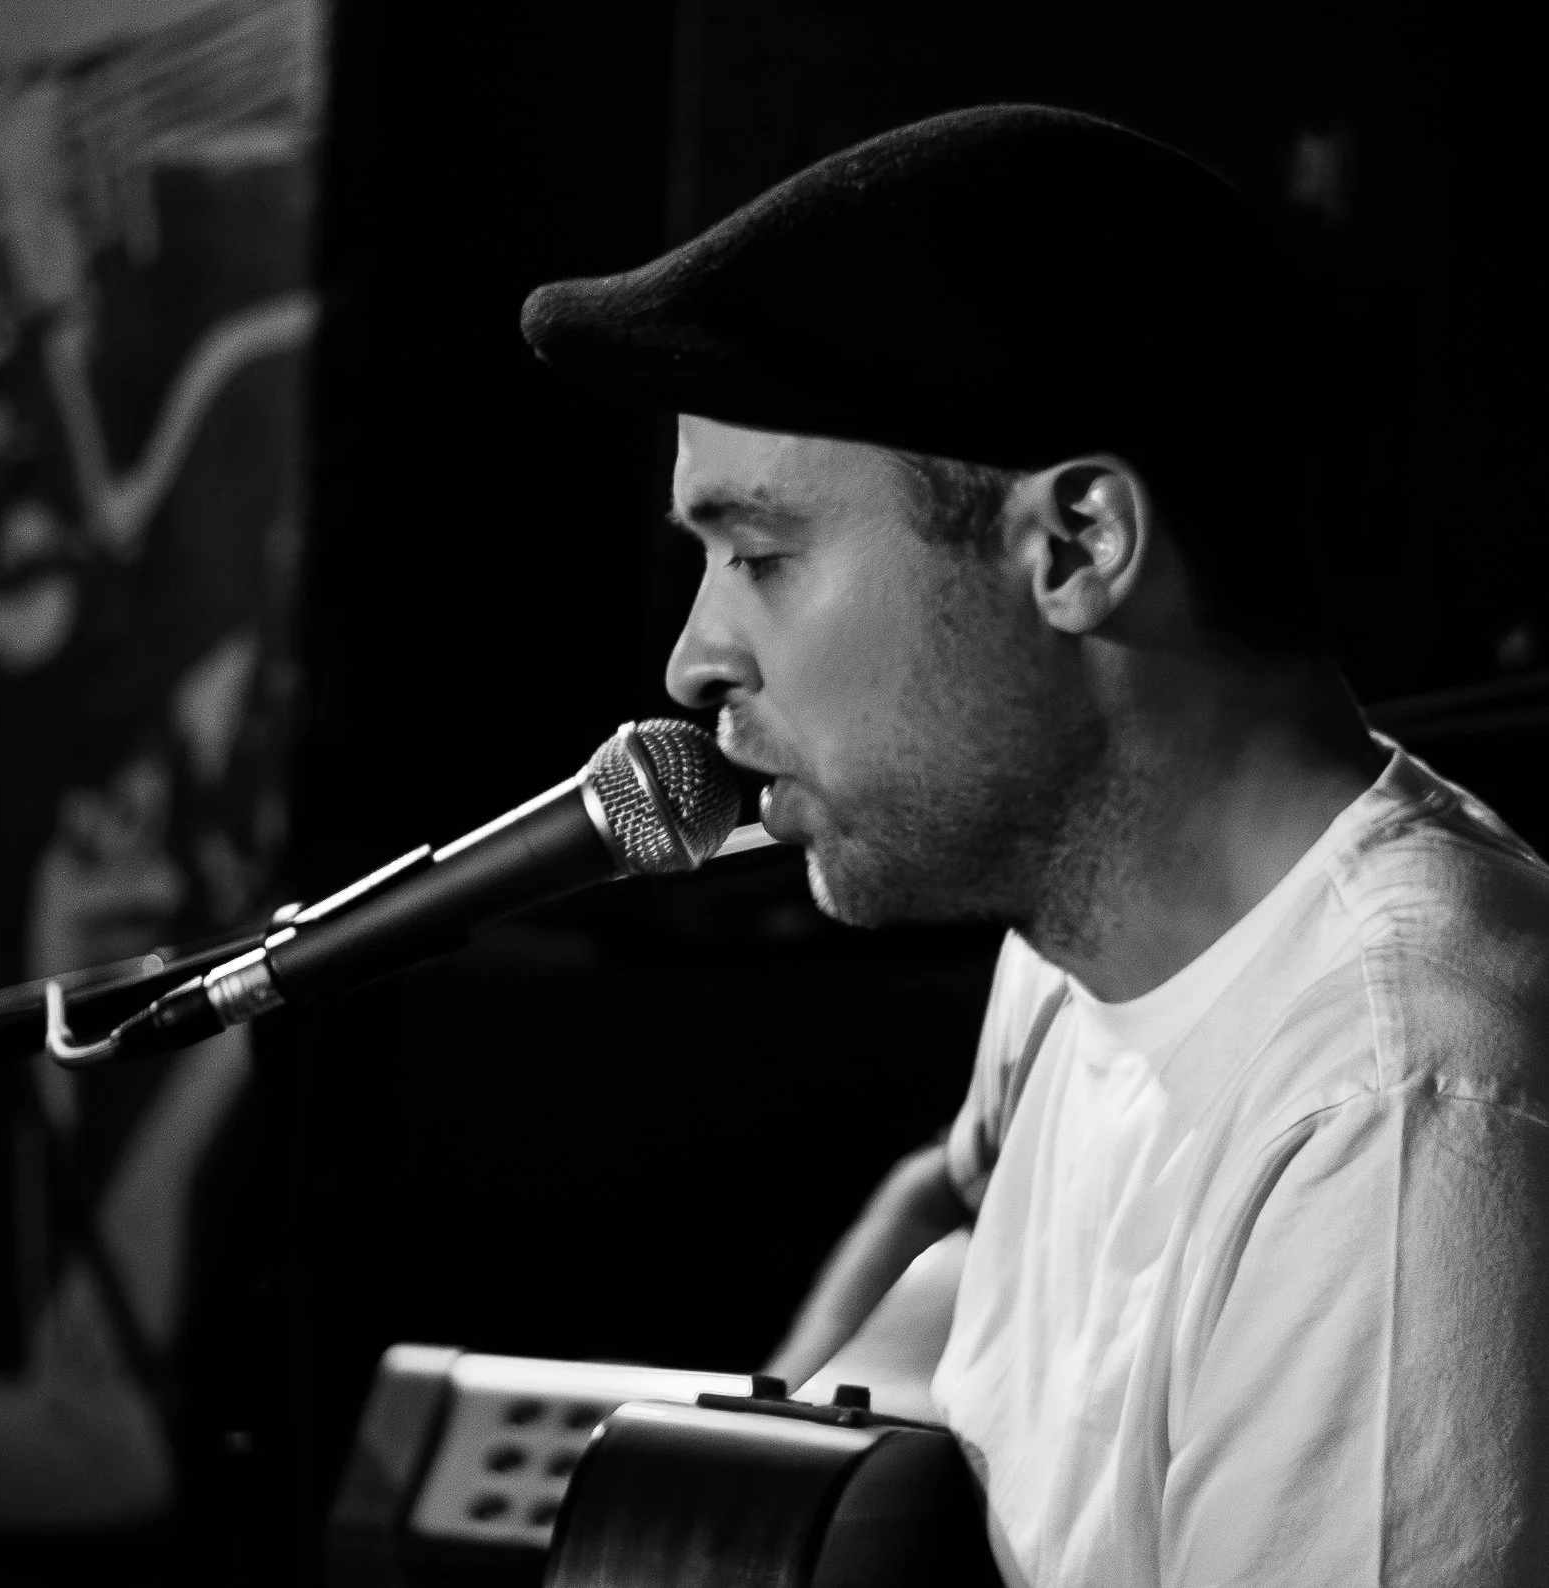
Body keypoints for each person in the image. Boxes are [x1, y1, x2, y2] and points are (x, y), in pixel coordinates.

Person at [520, 106, 1549, 1586]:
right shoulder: (1075, 951)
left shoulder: (1391, 1118)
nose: (695, 662)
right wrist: (740, 1507)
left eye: (760, 557)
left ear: (1072, 545)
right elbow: (950, 1222)